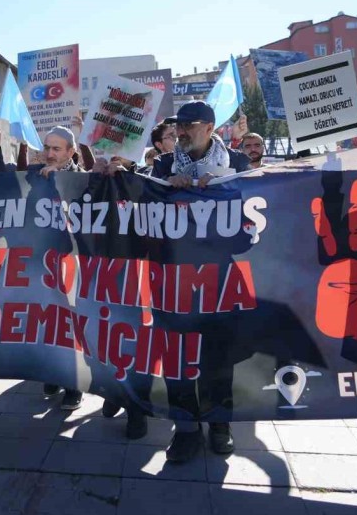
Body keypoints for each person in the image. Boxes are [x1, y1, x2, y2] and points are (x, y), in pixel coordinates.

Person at [147, 100, 250, 462]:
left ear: (210, 128)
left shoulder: (236, 166)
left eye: (191, 125)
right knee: (175, 357)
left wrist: (217, 192)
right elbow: (142, 213)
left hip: (217, 280)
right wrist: (168, 189)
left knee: (218, 357)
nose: (182, 132)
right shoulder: (161, 165)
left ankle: (219, 424)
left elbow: (247, 234)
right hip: (171, 280)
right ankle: (186, 428)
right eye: (179, 125)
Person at [0, 124, 88, 411]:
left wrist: (64, 180)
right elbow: (5, 183)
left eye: (57, 149)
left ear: (71, 152)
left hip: (72, 266)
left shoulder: (83, 179)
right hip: (40, 265)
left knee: (70, 324)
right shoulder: (36, 176)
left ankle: (73, 385)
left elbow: (89, 197)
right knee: (46, 322)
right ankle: (51, 374)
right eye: (47, 147)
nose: (50, 153)